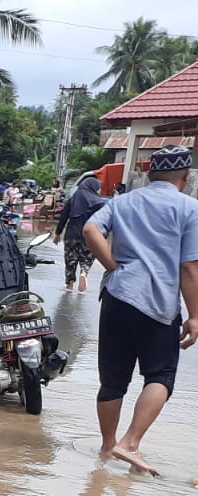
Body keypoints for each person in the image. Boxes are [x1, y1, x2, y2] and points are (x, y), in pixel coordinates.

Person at [82, 144, 198, 476]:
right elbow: (189, 268)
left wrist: (112, 265)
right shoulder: (190, 209)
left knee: (113, 379)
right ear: (186, 177)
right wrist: (195, 315)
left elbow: (91, 229)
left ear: (148, 173)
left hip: (117, 295)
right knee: (160, 375)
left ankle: (107, 448)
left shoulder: (122, 201)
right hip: (158, 303)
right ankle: (130, 443)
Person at [53, 173, 108, 292]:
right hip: (89, 235)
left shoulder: (74, 197)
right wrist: (103, 238)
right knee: (88, 257)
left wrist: (58, 233)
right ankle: (84, 271)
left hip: (71, 233)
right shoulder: (99, 203)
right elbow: (104, 222)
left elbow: (64, 216)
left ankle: (70, 284)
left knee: (70, 259)